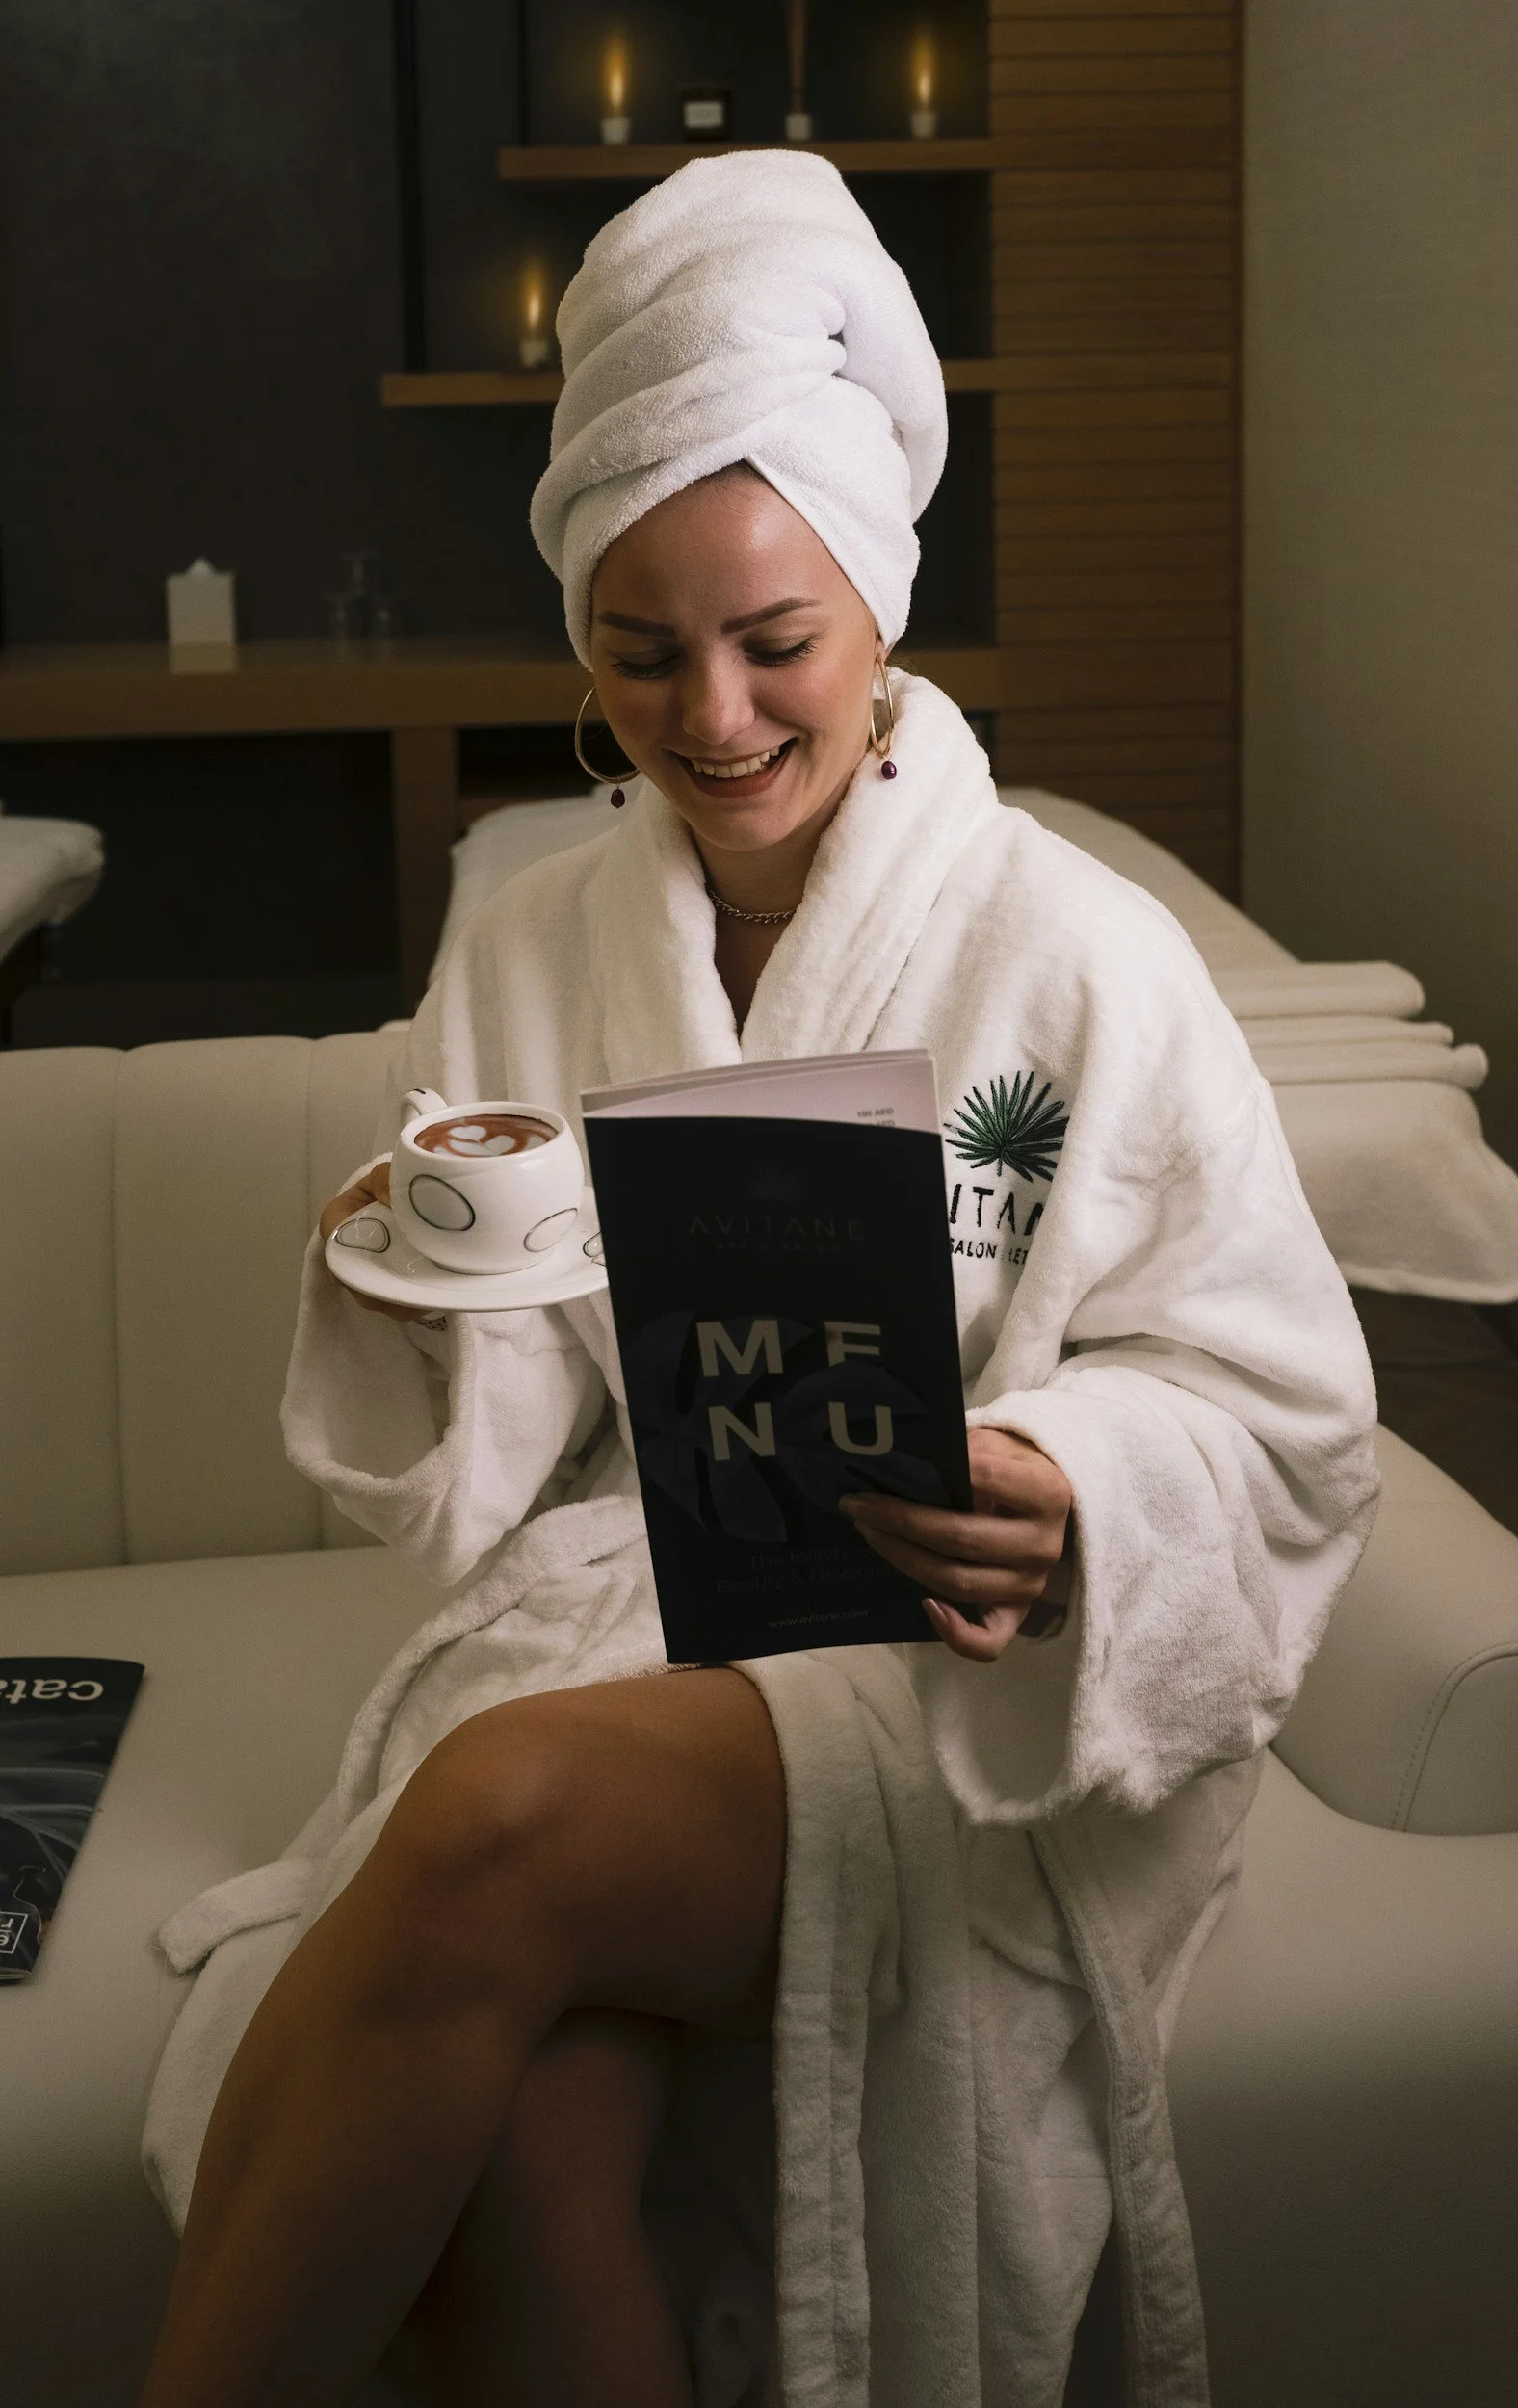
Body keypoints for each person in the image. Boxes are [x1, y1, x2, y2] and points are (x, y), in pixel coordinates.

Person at [138, 153, 1378, 2408]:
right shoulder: (527, 944)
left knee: (489, 1819)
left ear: (875, 608)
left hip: (961, 1681)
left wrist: (1073, 1474)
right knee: (520, 2133)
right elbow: (487, 1448)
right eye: (637, 653)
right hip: (643, 1618)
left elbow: (1284, 1405)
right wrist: (403, 1267)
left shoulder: (1073, 952)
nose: (706, 716)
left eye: (769, 640)